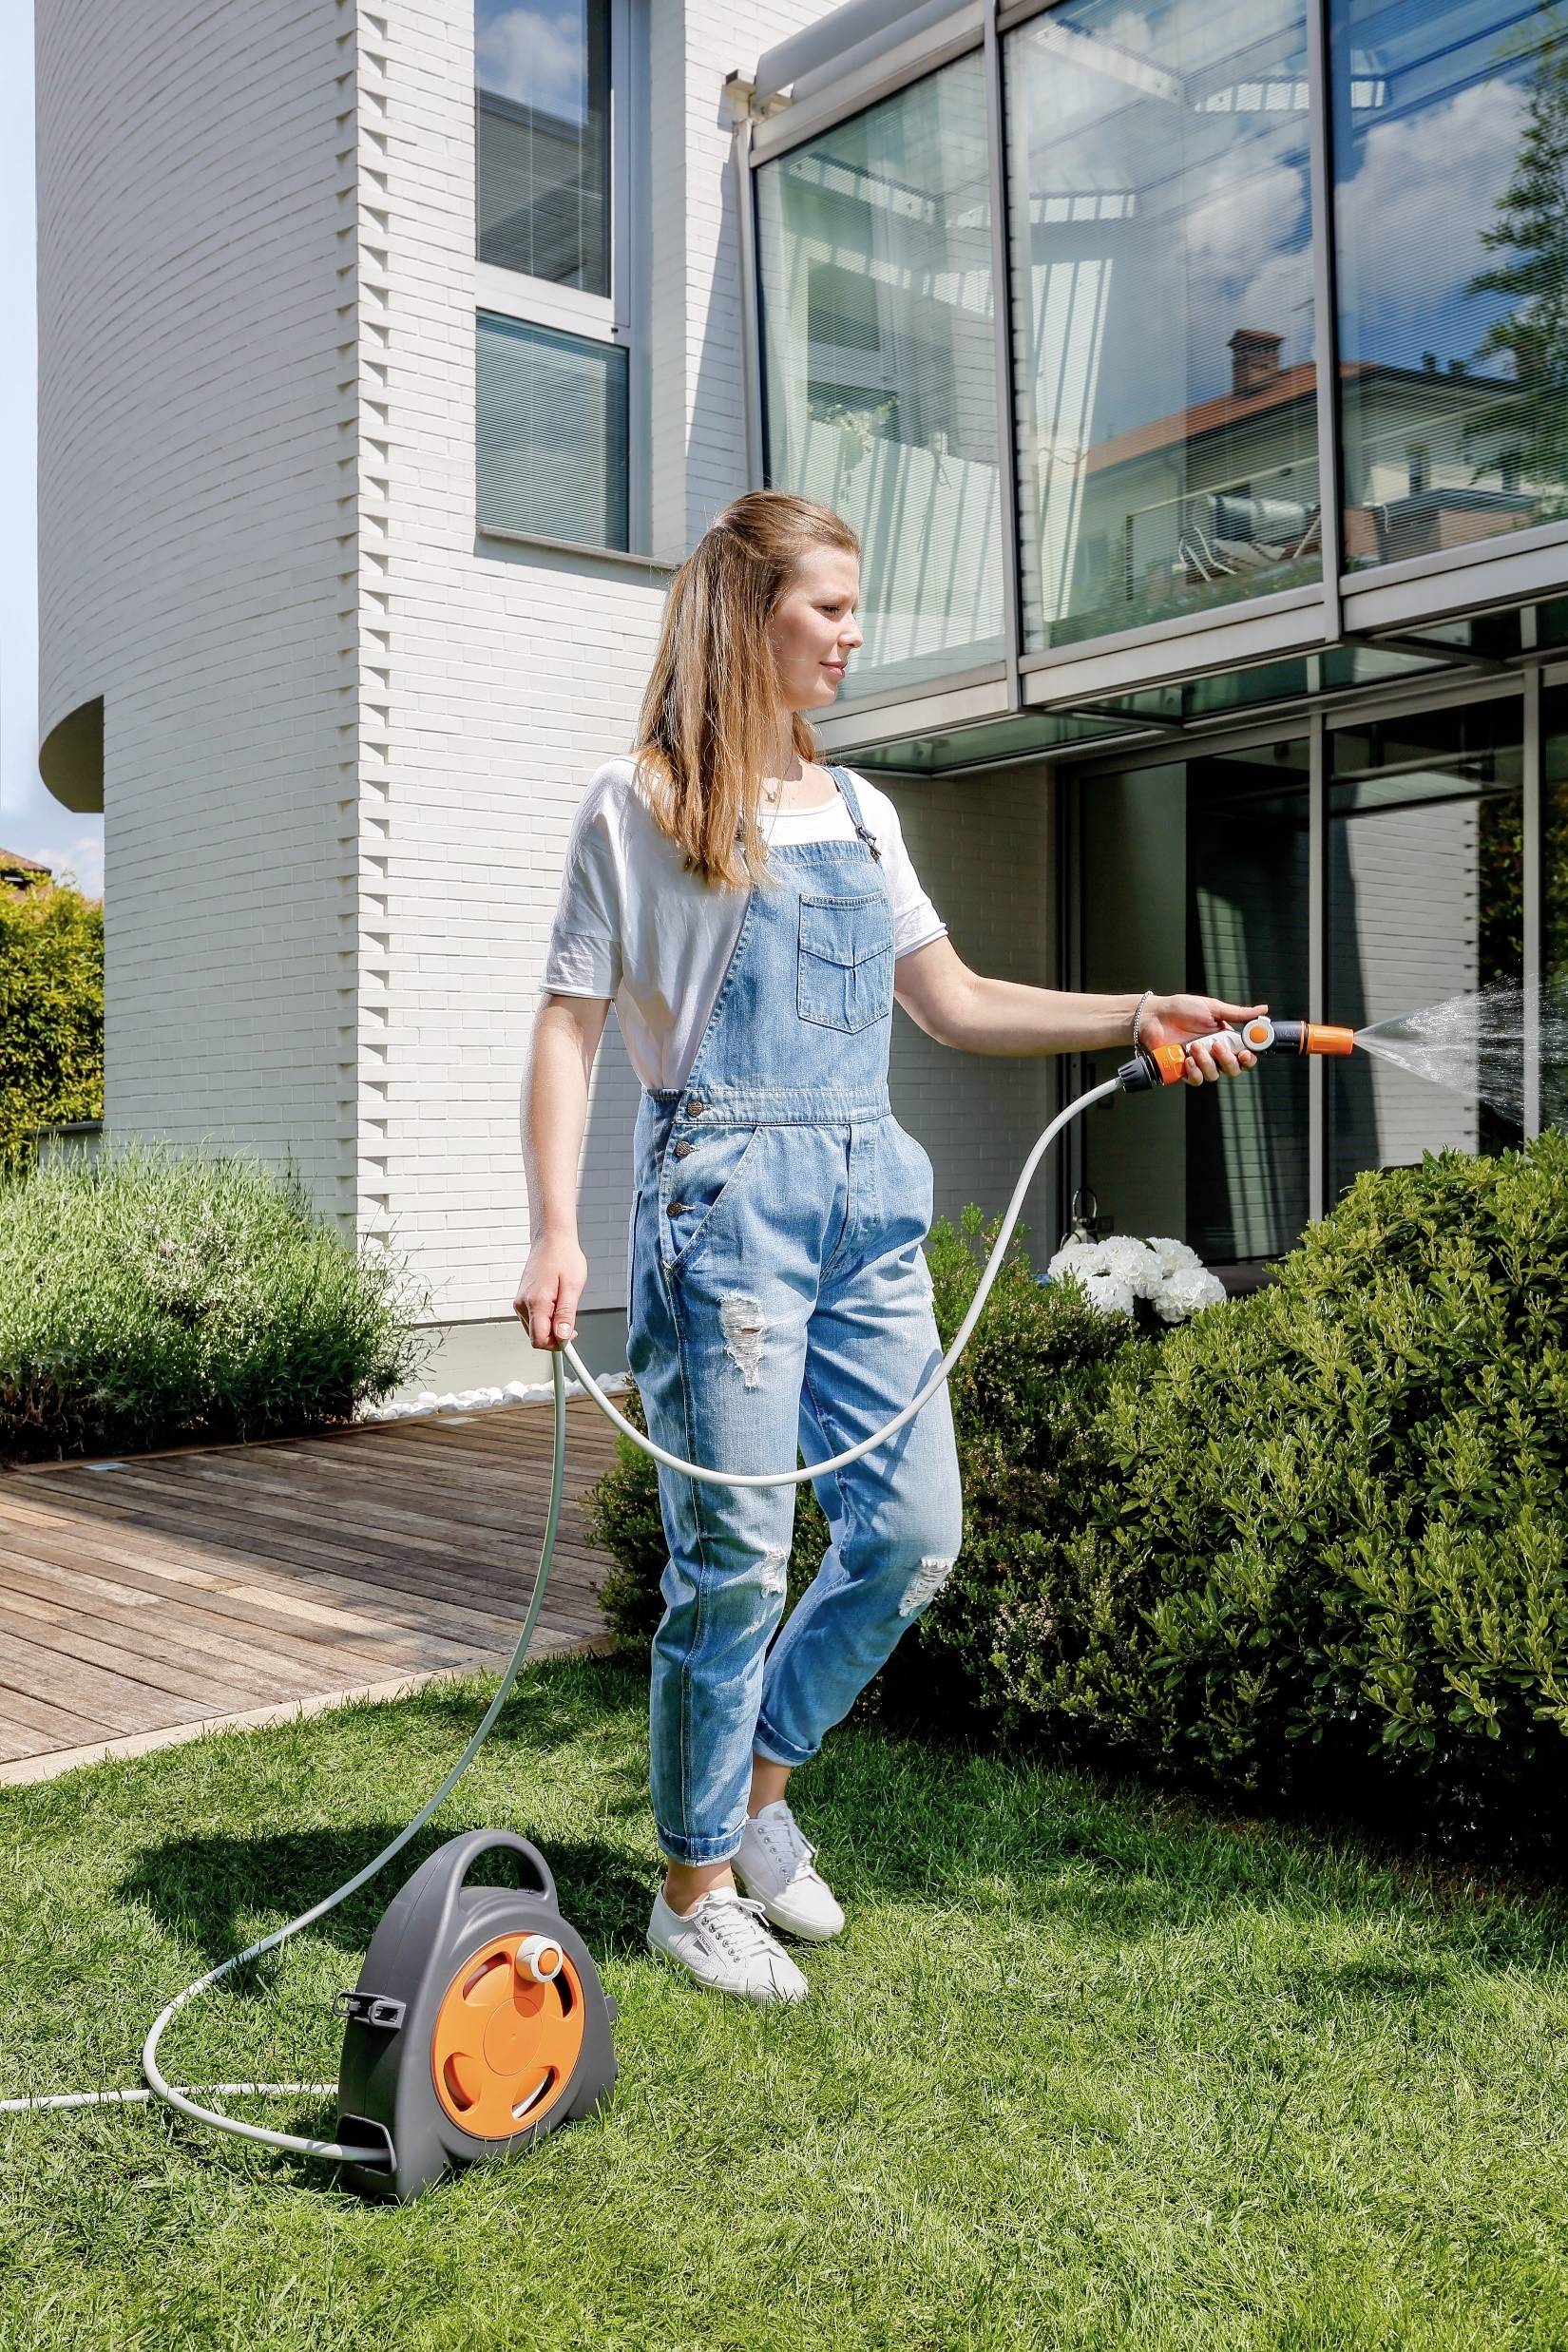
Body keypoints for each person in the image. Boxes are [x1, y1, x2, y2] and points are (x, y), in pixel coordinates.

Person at [516, 491, 1263, 2007]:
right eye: (828, 610)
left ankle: (761, 1798)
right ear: (748, 614)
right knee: (727, 1565)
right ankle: (690, 1886)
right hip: (720, 1207)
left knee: (913, 1536)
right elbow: (570, 1023)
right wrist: (550, 1227)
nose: (853, 638)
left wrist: (1135, 1014)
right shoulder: (637, 806)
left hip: (870, 1207)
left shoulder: (863, 812)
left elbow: (955, 1002)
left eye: (855, 611)